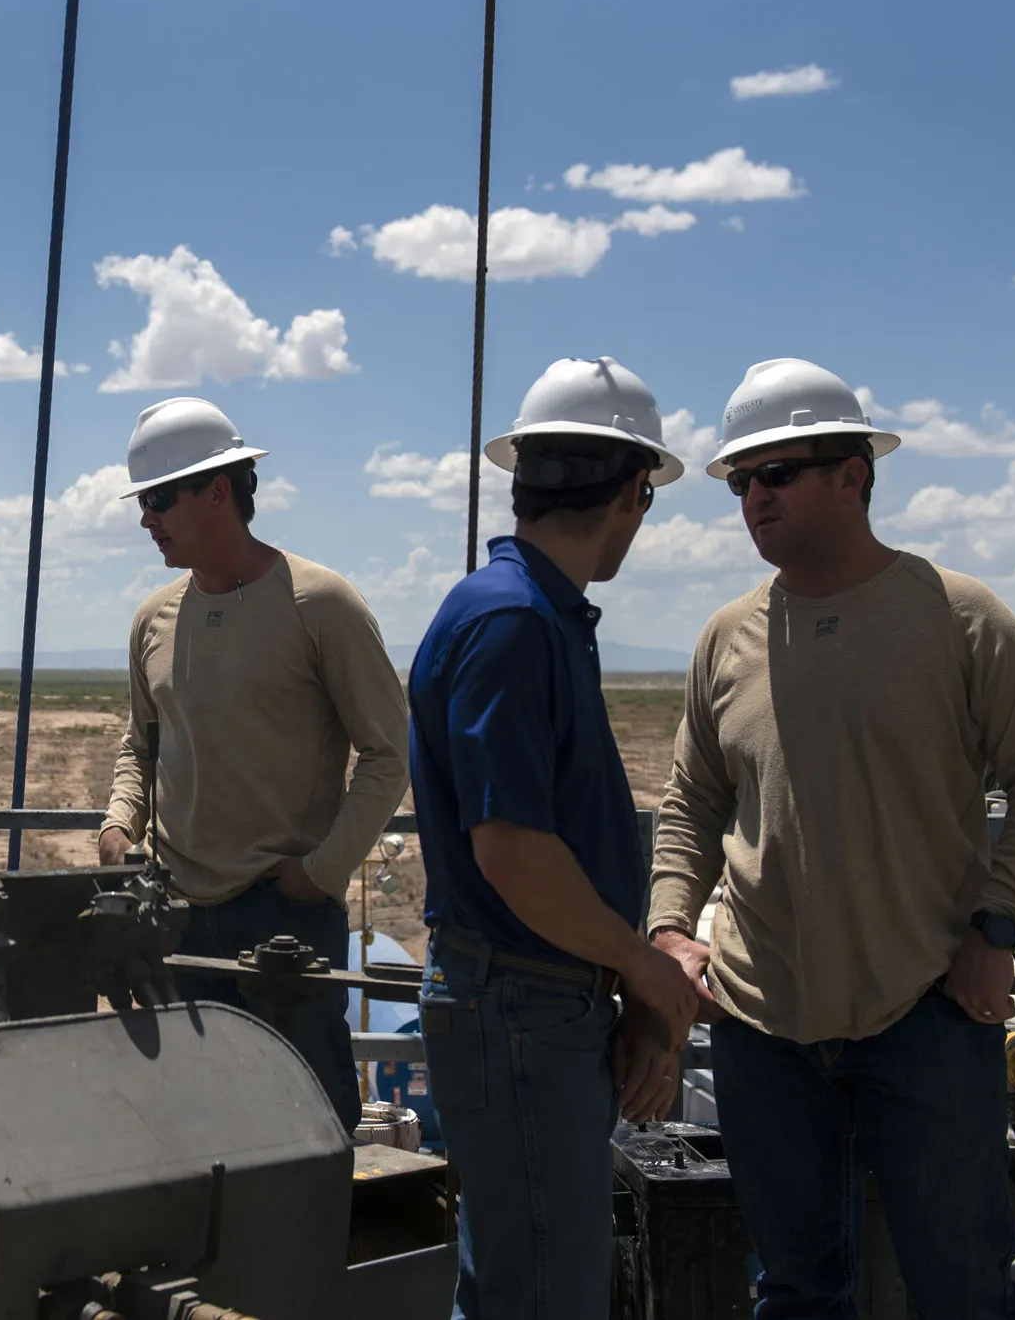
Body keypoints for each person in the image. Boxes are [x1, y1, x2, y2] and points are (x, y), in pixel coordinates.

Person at [647, 358, 1015, 1320]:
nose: (754, 498)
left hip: (926, 1009)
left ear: (853, 475)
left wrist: (998, 929)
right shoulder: (727, 638)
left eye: (777, 473)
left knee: (962, 1289)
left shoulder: (958, 617)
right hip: (763, 1021)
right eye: (740, 480)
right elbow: (692, 800)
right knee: (798, 1293)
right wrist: (672, 929)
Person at [407, 357, 705, 1320]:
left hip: (536, 999)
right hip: (520, 1005)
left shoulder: (534, 611)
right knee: (543, 1290)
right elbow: (515, 853)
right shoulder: (514, 621)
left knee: (520, 1276)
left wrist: (621, 979)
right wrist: (642, 965)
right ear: (632, 491)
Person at [96, 397, 408, 1132]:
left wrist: (317, 874)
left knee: (304, 1127)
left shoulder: (320, 604)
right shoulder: (153, 619)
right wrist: (119, 821)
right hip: (173, 917)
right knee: (190, 1125)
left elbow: (389, 753)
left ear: (217, 490)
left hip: (283, 921)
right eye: (143, 503)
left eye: (159, 500)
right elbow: (141, 743)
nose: (147, 520)